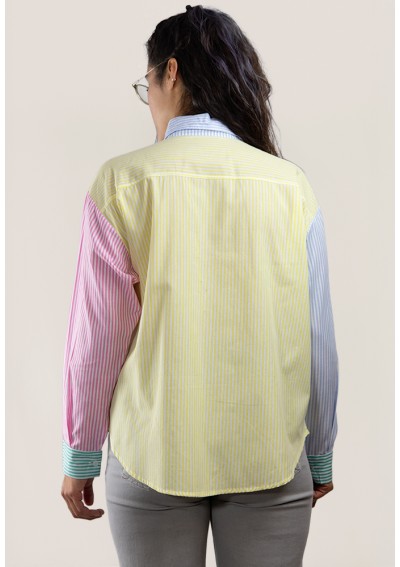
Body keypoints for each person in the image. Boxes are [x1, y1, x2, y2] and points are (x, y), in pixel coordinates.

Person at [60, 5, 339, 566]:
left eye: (147, 85)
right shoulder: (290, 186)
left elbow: (98, 338)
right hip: (270, 455)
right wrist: (320, 453)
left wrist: (81, 454)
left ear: (171, 71)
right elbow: (317, 337)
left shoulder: (122, 183)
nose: (149, 100)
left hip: (152, 454)